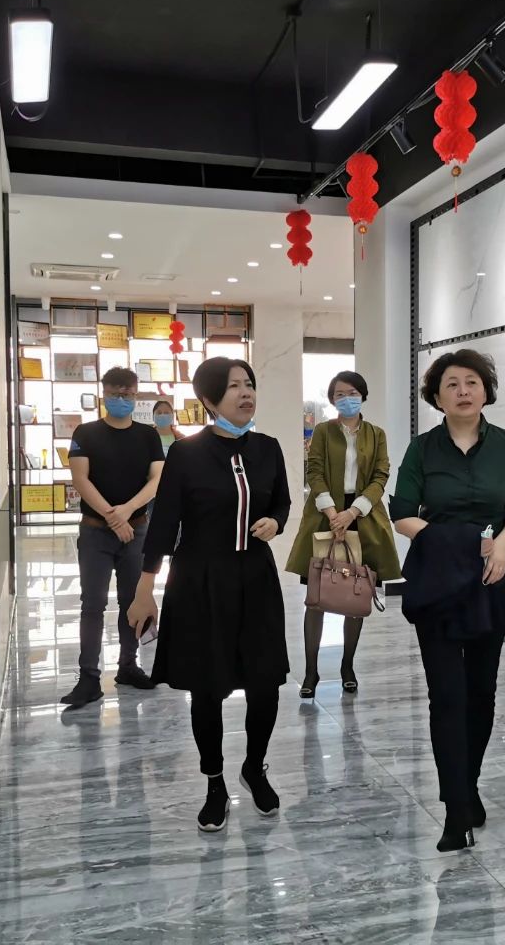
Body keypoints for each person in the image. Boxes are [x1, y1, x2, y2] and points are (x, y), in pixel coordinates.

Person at [127, 357, 291, 833]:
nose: (246, 392)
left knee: (265, 682)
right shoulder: (186, 454)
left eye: (249, 384)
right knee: (208, 687)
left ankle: (254, 767)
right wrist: (145, 589)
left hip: (256, 578)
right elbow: (164, 526)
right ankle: (214, 783)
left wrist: (276, 522)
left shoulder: (268, 448)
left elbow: (282, 500)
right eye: (234, 386)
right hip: (200, 580)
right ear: (209, 399)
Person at [390, 349, 505, 852]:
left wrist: (501, 544)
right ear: (437, 397)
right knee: (446, 695)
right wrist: (450, 543)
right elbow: (401, 513)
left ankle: (468, 786)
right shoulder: (422, 449)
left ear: (485, 391)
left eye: (471, 382)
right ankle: (455, 810)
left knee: (481, 691)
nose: (462, 390)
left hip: (489, 579)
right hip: (437, 583)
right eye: (451, 383)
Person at [285, 371, 401, 698]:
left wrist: (353, 512)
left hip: (362, 516)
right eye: (339, 394)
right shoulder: (323, 431)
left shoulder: (376, 434)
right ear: (332, 399)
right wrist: (333, 512)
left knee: (355, 595)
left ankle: (347, 666)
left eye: (352, 393)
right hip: (326, 515)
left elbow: (381, 475)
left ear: (362, 396)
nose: (346, 399)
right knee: (317, 596)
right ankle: (311, 671)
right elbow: (314, 470)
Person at [60, 367, 166, 709]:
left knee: (132, 602)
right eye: (115, 394)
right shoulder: (86, 432)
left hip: (137, 529)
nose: (121, 399)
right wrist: (112, 515)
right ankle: (89, 678)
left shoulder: (148, 435)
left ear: (136, 395)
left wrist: (127, 511)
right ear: (104, 394)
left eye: (128, 394)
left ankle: (128, 666)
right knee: (92, 604)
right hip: (96, 531)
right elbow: (81, 478)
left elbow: (157, 479)